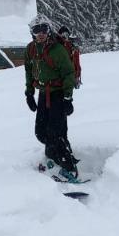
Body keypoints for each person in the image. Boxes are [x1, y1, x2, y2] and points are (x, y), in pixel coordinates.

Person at [24, 16, 79, 180]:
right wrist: (29, 93)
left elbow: (69, 74)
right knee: (40, 132)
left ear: (48, 31)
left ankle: (69, 168)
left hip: (58, 94)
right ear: (32, 33)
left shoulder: (57, 50)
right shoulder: (30, 49)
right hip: (42, 94)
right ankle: (53, 157)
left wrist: (68, 98)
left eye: (44, 29)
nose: (40, 33)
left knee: (55, 132)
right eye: (36, 30)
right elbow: (28, 70)